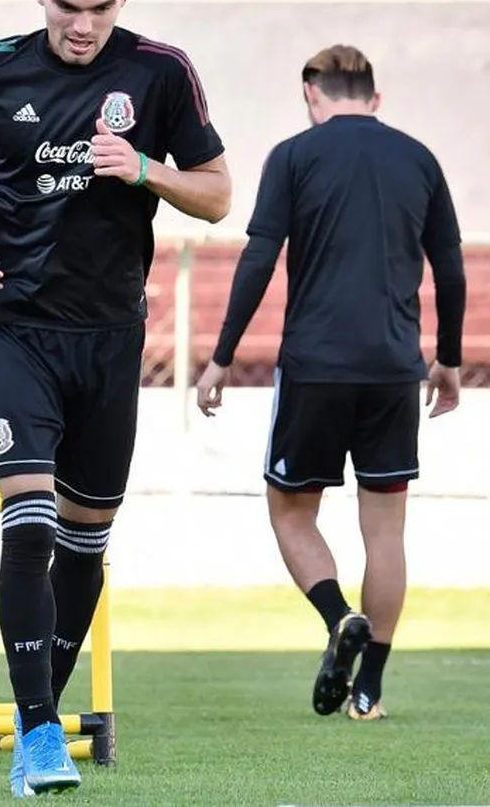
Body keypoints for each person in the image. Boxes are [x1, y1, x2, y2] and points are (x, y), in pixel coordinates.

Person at [0, 0, 231, 796]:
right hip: (17, 324)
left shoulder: (159, 72)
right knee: (25, 519)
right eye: (67, 6)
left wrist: (146, 169)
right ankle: (35, 733)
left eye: (100, 8)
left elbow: (216, 194)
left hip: (112, 335)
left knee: (86, 537)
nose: (82, 26)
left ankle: (42, 719)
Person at [195, 44, 465, 723]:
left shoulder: (293, 155)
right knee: (386, 530)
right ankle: (369, 687)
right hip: (395, 368)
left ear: (312, 94)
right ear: (374, 98)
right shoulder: (419, 158)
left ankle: (339, 614)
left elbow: (260, 256)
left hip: (315, 365)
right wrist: (450, 360)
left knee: (290, 509)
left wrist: (222, 355)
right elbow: (452, 271)